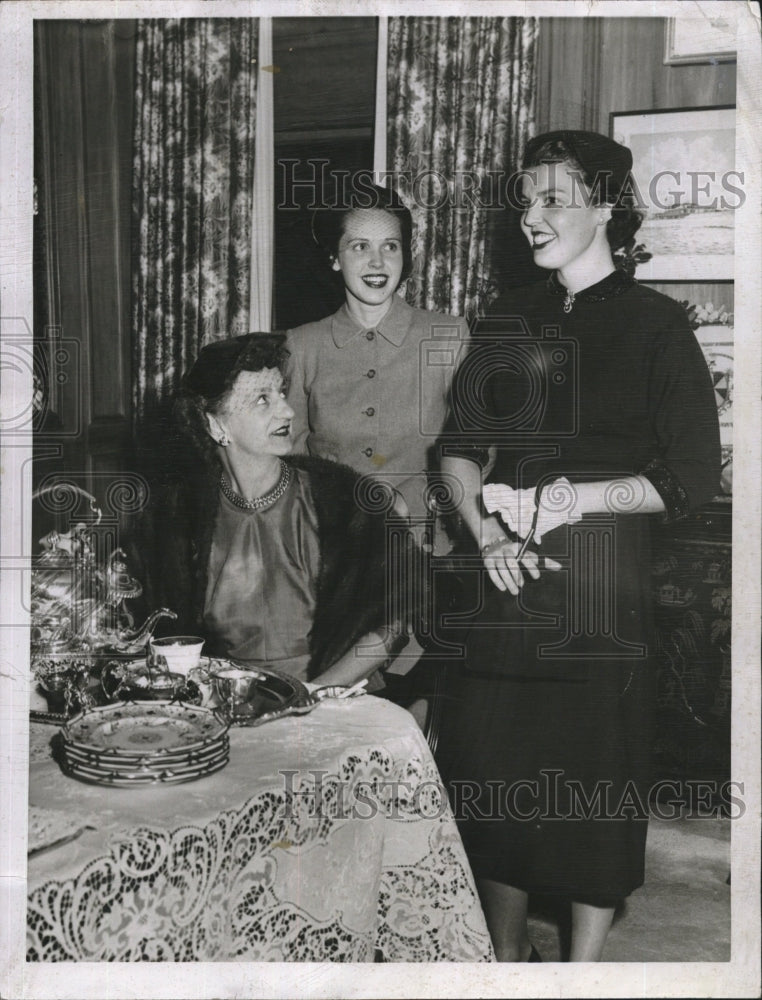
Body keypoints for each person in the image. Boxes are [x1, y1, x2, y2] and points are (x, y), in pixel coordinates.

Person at [436, 130, 721, 961]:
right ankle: (503, 957)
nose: (531, 214)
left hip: (602, 582)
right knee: (492, 775)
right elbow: (457, 449)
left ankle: (581, 972)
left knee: (594, 778)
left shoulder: (657, 324)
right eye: (525, 198)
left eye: (552, 198)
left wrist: (574, 498)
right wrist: (485, 532)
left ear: (604, 207)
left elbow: (688, 479)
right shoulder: (507, 319)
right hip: (507, 576)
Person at [136, 333, 412, 689]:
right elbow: (167, 638)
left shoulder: (339, 501)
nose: (287, 410)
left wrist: (314, 694)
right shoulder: (182, 517)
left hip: (335, 699)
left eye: (281, 392)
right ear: (214, 424)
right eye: (262, 400)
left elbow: (391, 624)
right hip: (229, 702)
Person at [284, 183, 469, 535]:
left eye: (391, 246)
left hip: (426, 541)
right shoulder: (301, 345)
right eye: (359, 247)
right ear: (334, 258)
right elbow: (290, 459)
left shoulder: (449, 336)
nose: (378, 262)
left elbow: (481, 449)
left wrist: (417, 502)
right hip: (331, 542)